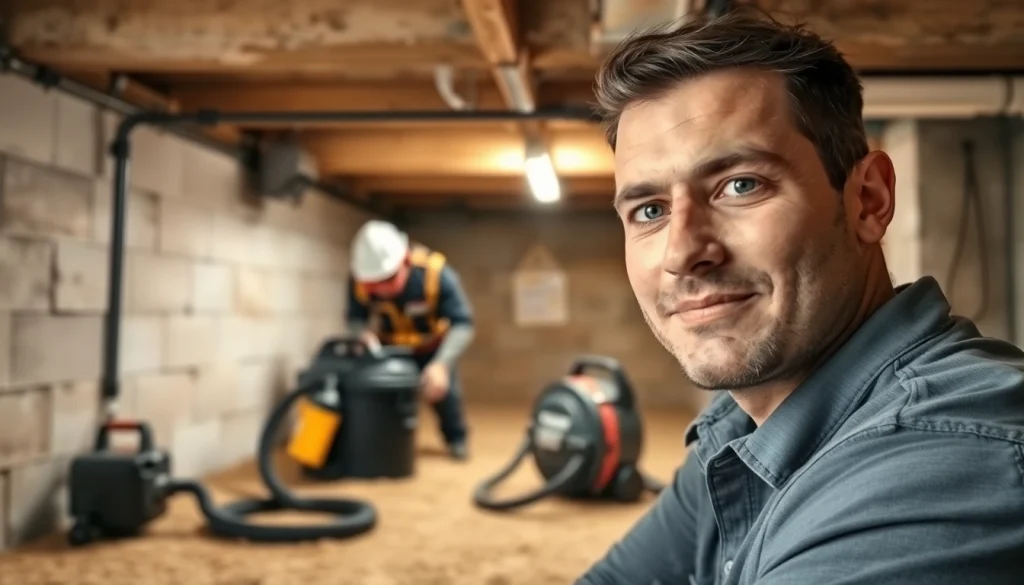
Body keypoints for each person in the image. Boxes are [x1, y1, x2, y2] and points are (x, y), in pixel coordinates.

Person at [576, 8, 1024, 585]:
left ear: (868, 200)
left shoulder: (944, 462)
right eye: (650, 210)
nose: (682, 252)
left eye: (740, 185)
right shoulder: (745, 422)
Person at [345, 219, 475, 461]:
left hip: (432, 348)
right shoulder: (360, 280)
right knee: (383, 398)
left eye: (388, 280)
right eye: (374, 285)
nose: (381, 290)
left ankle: (456, 438)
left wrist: (441, 364)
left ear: (405, 261)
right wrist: (361, 336)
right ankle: (387, 445)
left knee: (446, 395)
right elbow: (355, 319)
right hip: (389, 349)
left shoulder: (436, 274)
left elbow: (462, 323)